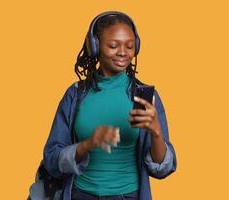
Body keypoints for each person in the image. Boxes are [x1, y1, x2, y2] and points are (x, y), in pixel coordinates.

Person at [42, 11, 177, 200]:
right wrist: (87, 145)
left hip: (128, 196)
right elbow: (52, 160)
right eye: (113, 45)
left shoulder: (145, 97)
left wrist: (156, 133)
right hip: (79, 194)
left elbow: (162, 169)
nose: (123, 52)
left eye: (129, 46)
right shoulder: (75, 95)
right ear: (95, 46)